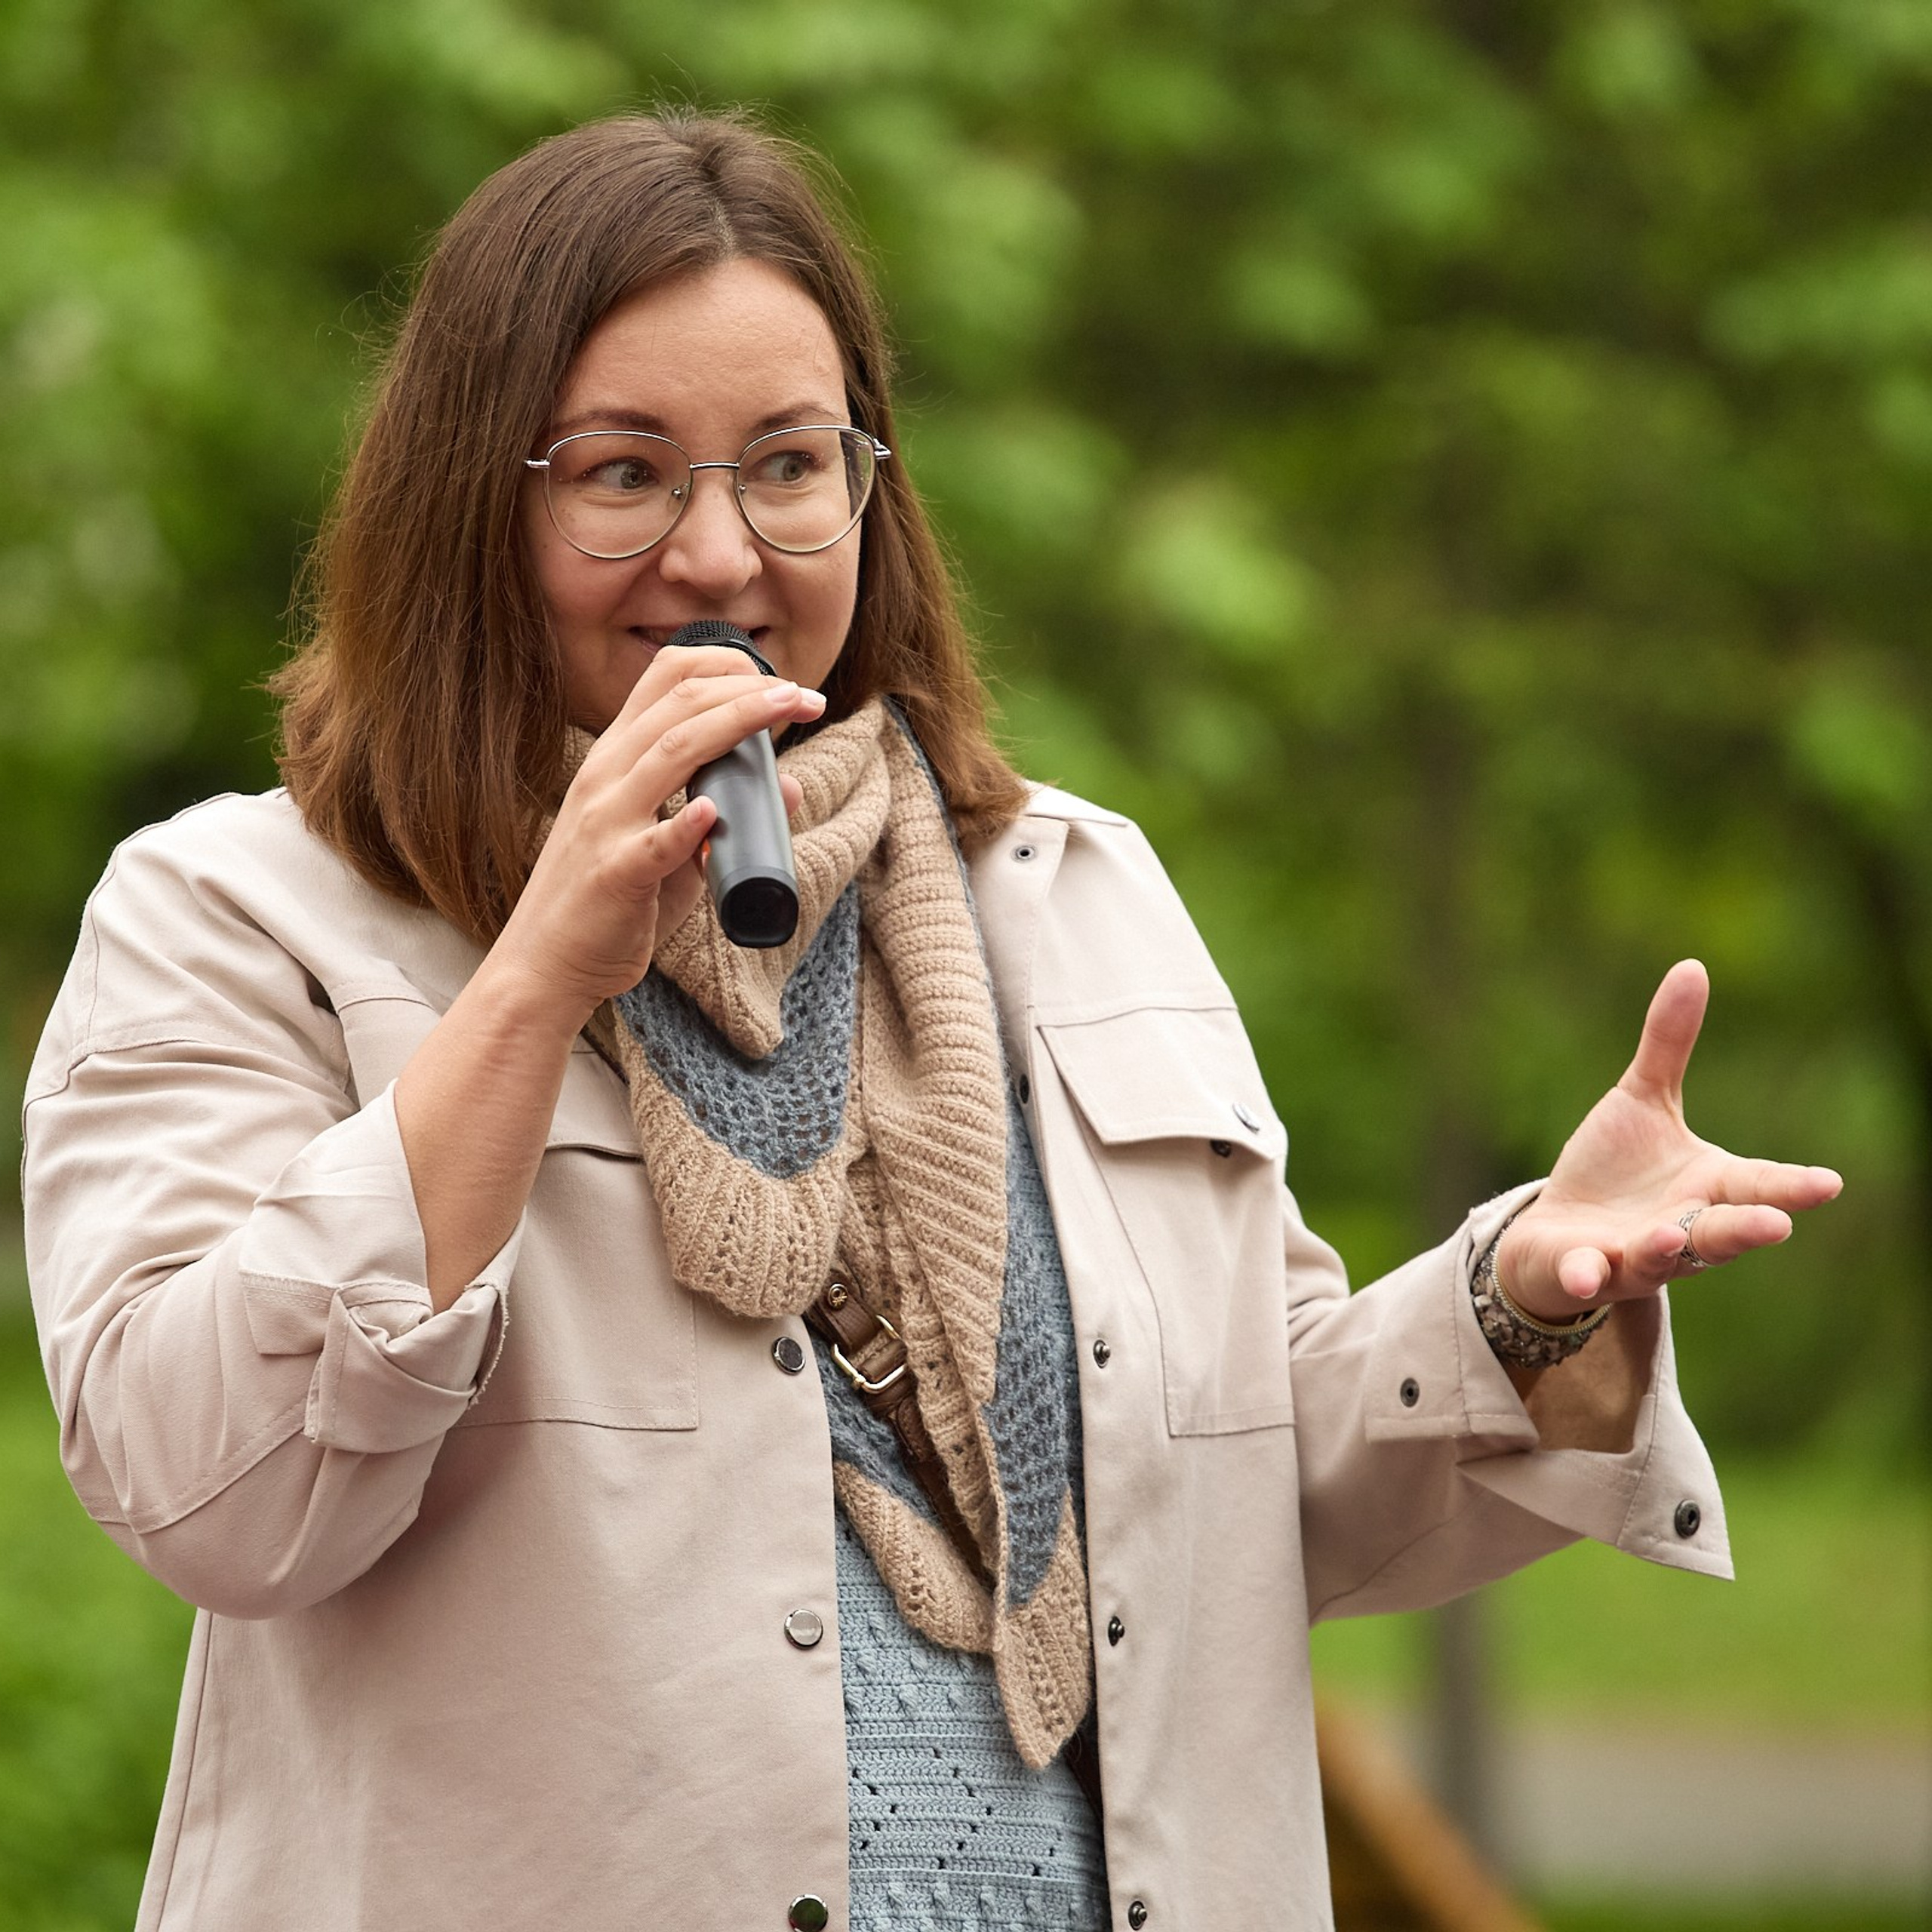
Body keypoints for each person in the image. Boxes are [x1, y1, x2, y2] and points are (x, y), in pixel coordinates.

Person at [22, 111, 1841, 1932]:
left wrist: (1520, 1294)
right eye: (622, 472)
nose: (719, 553)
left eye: (787, 464)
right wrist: (532, 980)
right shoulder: (240, 913)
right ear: (464, 505)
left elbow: (1225, 1497)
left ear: (866, 488)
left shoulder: (1065, 891)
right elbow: (206, 1487)